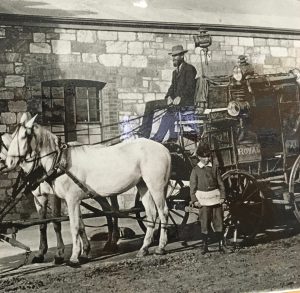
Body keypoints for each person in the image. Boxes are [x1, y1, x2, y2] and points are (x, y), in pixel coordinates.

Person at [139, 45, 197, 142]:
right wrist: (169, 96)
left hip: (185, 102)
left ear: (182, 56)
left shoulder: (190, 69)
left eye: (176, 56)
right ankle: (144, 134)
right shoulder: (175, 72)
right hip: (174, 101)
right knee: (150, 105)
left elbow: (190, 87)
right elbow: (172, 87)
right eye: (172, 56)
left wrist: (180, 97)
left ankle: (157, 138)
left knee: (169, 114)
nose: (173, 58)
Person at [189, 142, 226, 255]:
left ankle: (222, 245)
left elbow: (221, 184)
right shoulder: (196, 170)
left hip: (215, 198)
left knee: (218, 221)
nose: (206, 159)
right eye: (204, 157)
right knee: (204, 222)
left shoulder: (214, 168)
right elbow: (193, 187)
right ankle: (204, 246)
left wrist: (223, 197)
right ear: (199, 157)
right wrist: (195, 200)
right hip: (203, 200)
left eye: (208, 156)